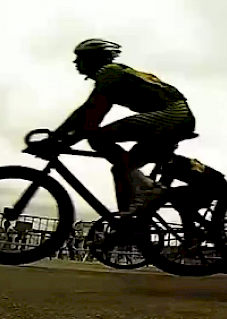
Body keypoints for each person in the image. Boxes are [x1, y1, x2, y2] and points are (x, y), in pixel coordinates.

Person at [41, 39, 196, 214]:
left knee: (98, 138)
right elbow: (85, 114)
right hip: (176, 117)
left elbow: (89, 118)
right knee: (122, 171)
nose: (75, 62)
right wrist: (58, 138)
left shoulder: (109, 72)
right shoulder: (112, 75)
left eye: (80, 57)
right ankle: (129, 226)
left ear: (93, 58)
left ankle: (149, 189)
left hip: (173, 115)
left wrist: (58, 141)